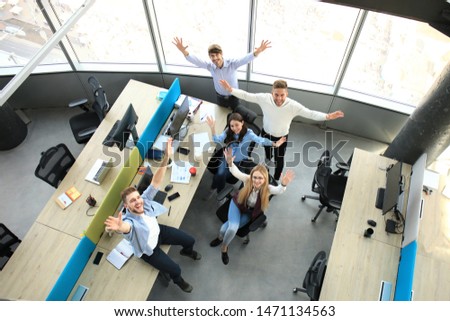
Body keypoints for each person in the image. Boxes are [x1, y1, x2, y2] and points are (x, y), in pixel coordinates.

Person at [104, 138, 201, 293]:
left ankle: (186, 251)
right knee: (175, 269)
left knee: (190, 240)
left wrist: (167, 157)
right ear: (126, 206)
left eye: (137, 198)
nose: (138, 202)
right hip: (149, 249)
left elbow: (156, 181)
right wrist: (120, 227)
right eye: (132, 201)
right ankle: (178, 281)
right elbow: (128, 228)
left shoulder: (144, 200)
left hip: (158, 232)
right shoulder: (129, 221)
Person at [219, 79, 345, 181]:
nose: (279, 98)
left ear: (287, 94)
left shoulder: (293, 106)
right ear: (272, 93)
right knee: (268, 155)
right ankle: (266, 172)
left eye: (282, 95)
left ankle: (277, 177)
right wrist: (231, 90)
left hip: (282, 137)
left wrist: (327, 116)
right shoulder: (264, 98)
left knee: (279, 159)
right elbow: (247, 96)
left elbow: (310, 113)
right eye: (276, 95)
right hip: (266, 134)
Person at [209, 148, 295, 265]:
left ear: (265, 179)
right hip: (238, 205)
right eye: (255, 177)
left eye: (260, 178)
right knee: (233, 228)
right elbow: (236, 173)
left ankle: (221, 240)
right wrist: (230, 163)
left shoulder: (268, 189)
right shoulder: (248, 179)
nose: (257, 180)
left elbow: (279, 190)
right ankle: (224, 248)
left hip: (249, 213)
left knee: (225, 229)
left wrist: (283, 184)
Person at [173, 37, 271, 109]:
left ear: (221, 54)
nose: (215, 58)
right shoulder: (210, 67)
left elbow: (245, 59)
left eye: (217, 55)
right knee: (222, 115)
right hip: (220, 97)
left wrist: (257, 52)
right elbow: (196, 61)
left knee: (236, 114)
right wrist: (184, 51)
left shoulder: (232, 64)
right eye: (212, 56)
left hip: (234, 96)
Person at [206, 112, 286, 199]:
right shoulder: (228, 131)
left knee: (225, 175)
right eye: (232, 126)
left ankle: (219, 191)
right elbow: (217, 140)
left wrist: (274, 144)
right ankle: (216, 189)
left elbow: (260, 140)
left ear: (242, 123)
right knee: (220, 174)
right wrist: (212, 128)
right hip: (227, 156)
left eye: (237, 125)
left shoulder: (249, 133)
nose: (234, 128)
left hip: (240, 160)